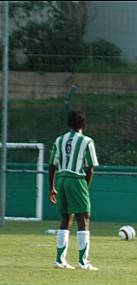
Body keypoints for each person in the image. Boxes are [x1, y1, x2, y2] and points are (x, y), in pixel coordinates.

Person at [48, 110, 99, 270]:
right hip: (76, 179)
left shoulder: (59, 140)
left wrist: (52, 187)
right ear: (83, 124)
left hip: (61, 180)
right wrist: (85, 187)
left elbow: (51, 165)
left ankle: (59, 260)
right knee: (84, 218)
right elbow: (90, 168)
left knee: (65, 218)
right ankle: (83, 262)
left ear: (69, 123)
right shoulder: (87, 141)